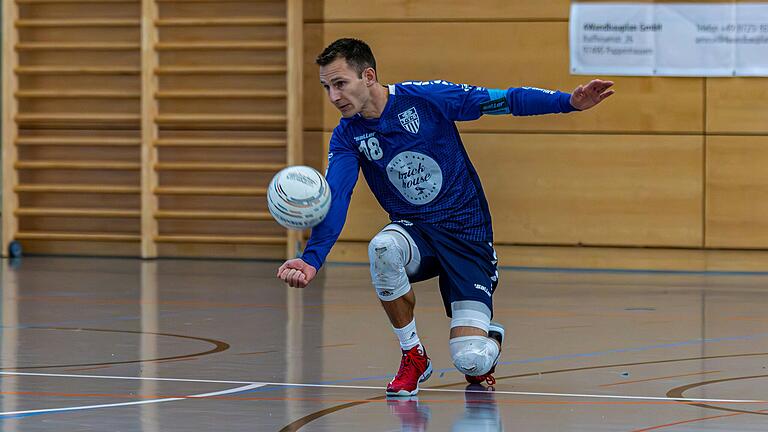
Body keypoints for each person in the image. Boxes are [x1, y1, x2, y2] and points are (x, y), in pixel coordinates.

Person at [277, 38, 613, 396]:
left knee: (471, 360)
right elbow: (337, 196)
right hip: (415, 233)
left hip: (465, 234)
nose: (333, 96)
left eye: (340, 84)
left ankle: (488, 340)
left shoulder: (426, 98)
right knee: (383, 249)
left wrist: (569, 103)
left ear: (369, 76)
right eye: (326, 87)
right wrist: (312, 259)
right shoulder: (347, 136)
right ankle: (413, 355)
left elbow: (501, 100)